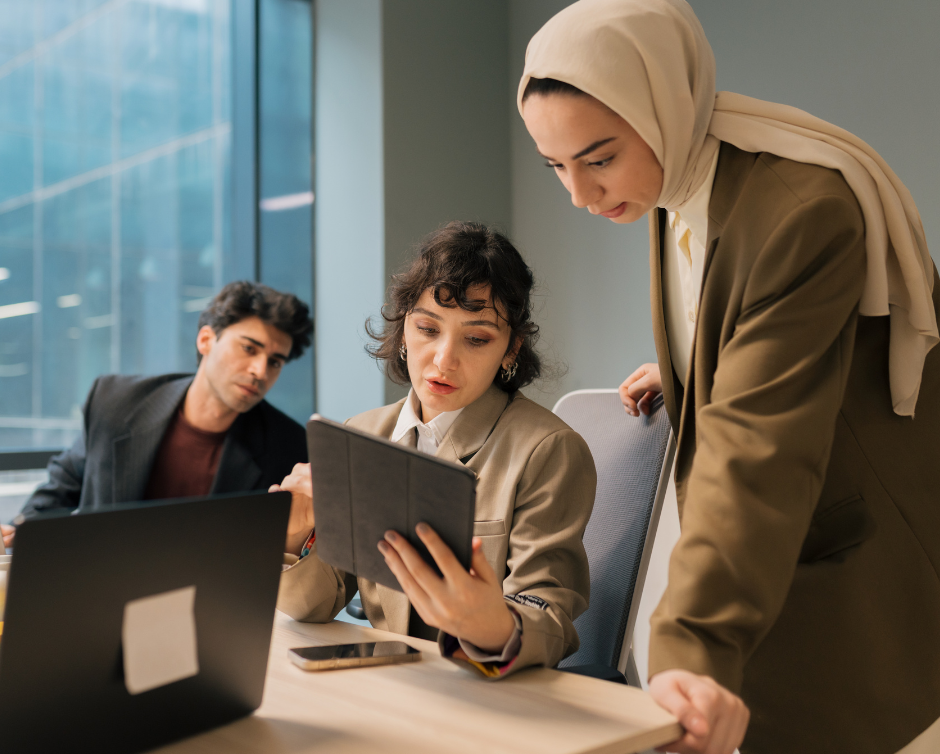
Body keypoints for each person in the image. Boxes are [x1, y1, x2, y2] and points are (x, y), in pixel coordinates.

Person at [518, 0, 940, 754]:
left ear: (665, 108)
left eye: (599, 158)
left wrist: (693, 645)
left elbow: (758, 449)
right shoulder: (677, 180)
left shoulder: (802, 209)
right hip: (782, 579)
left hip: (855, 580)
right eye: (554, 166)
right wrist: (690, 366)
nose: (580, 193)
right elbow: (741, 314)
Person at [274, 222, 596, 677]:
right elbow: (318, 602)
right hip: (387, 687)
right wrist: (291, 535)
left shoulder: (549, 450)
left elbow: (549, 619)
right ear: (404, 329)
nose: (444, 359)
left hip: (482, 695)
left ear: (511, 349)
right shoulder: (361, 433)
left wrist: (493, 625)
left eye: (477, 338)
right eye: (427, 328)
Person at [1, 281, 313, 549]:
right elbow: (64, 484)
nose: (259, 370)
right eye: (249, 349)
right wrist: (16, 533)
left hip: (209, 605)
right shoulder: (116, 401)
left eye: (275, 362)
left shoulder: (288, 445)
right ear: (206, 340)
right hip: (99, 588)